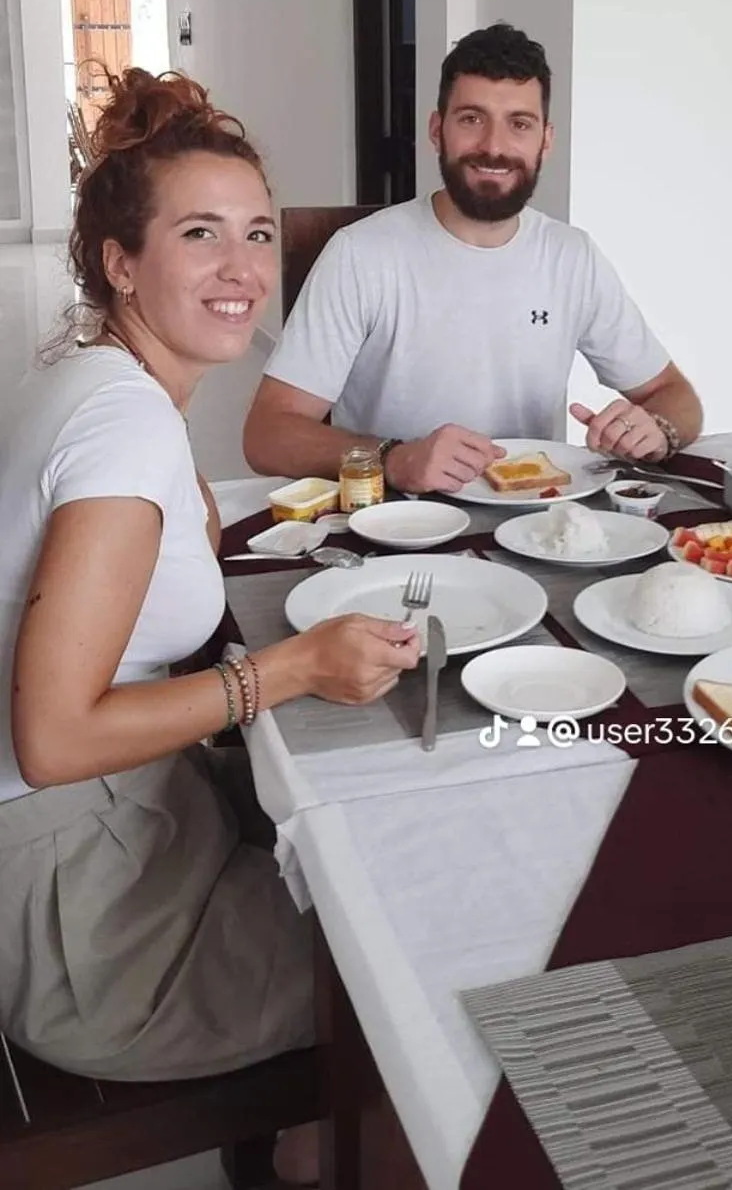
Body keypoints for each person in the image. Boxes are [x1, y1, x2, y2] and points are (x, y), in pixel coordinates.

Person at [0, 69, 420, 1186]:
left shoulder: (109, 383)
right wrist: (283, 669)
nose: (243, 268)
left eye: (258, 233)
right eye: (200, 234)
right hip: (84, 918)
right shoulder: (122, 427)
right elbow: (53, 736)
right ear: (120, 262)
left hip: (119, 826)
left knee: (376, 817)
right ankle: (303, 1149)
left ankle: (294, 1128)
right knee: (422, 940)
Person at [245, 23, 701, 493]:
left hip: (536, 525)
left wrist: (657, 430)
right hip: (396, 526)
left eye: (518, 124)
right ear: (437, 130)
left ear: (546, 140)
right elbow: (267, 435)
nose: (494, 147)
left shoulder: (572, 257)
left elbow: (678, 399)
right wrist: (395, 457)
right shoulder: (361, 254)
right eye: (471, 119)